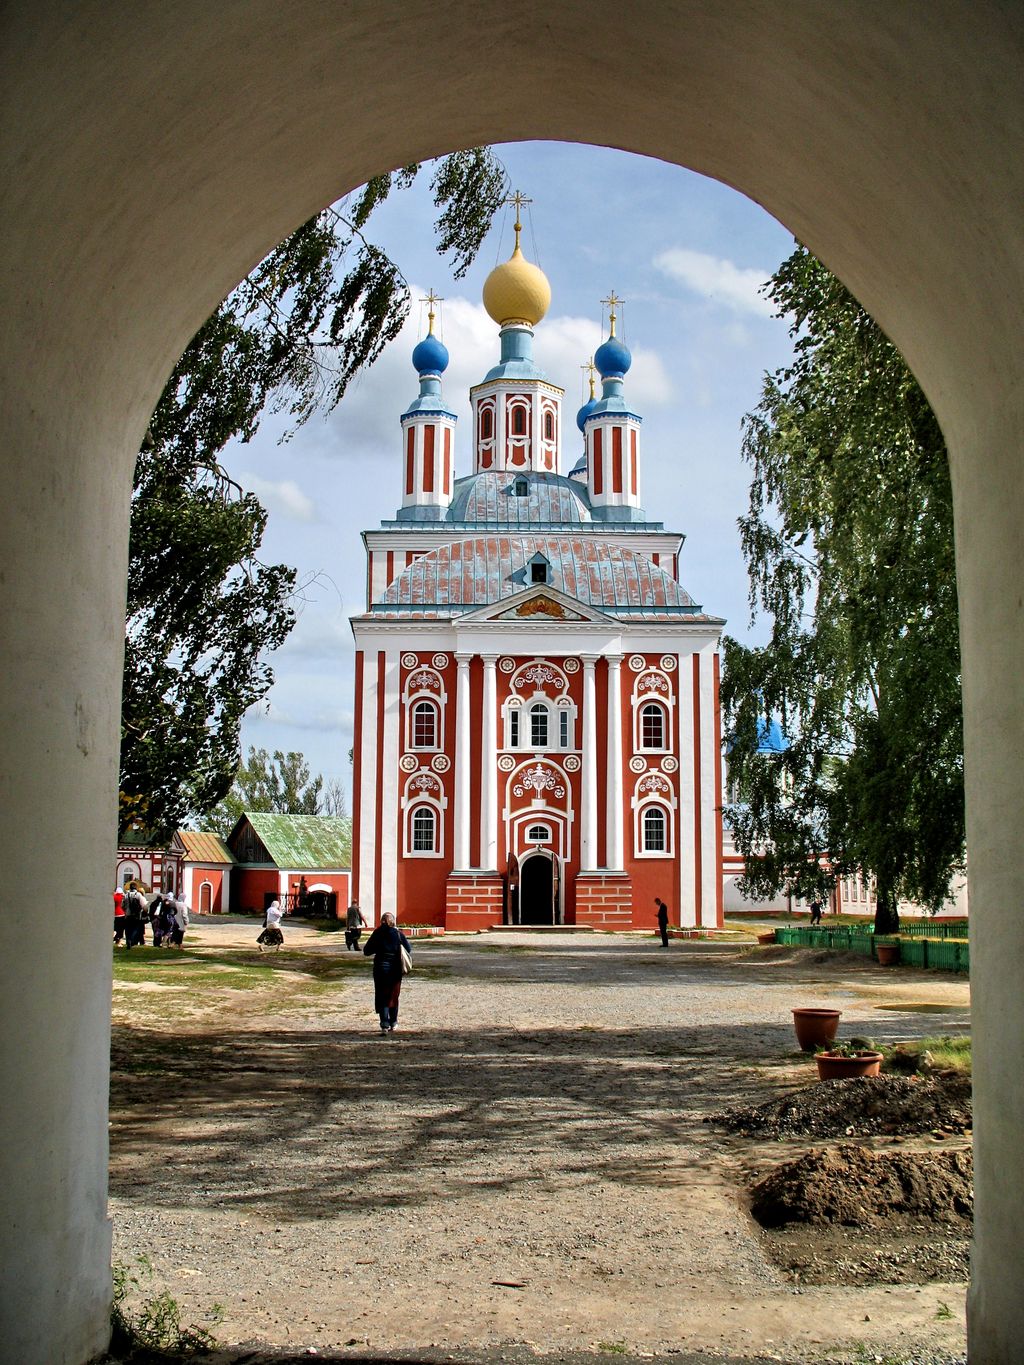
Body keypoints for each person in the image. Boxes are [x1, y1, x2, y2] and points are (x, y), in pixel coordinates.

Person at [362, 910, 411, 1034]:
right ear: (393, 921)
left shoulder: (377, 933)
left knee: (382, 995)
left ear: (382, 921)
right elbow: (408, 949)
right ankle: (393, 1022)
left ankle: (384, 1024)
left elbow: (366, 951)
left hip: (380, 968)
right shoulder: (398, 934)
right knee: (394, 995)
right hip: (395, 969)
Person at [123, 883, 146, 949]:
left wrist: (126, 910)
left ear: (130, 888)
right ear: (136, 888)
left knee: (128, 929)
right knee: (135, 929)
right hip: (136, 915)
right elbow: (144, 905)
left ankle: (128, 941)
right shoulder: (138, 895)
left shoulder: (126, 895)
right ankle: (131, 940)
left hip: (128, 915)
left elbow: (122, 905)